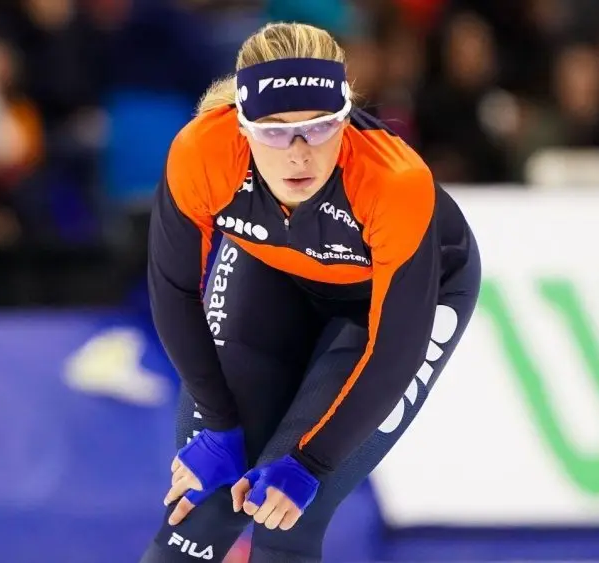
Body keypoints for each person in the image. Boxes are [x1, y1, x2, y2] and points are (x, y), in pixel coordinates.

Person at [140, 22, 483, 562]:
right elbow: (174, 291)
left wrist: (311, 464)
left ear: (345, 118)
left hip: (389, 309)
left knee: (285, 515)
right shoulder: (204, 151)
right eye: (274, 131)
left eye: (320, 128)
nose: (298, 153)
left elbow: (395, 350)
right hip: (273, 273)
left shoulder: (393, 182)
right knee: (203, 504)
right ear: (242, 125)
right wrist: (220, 423)